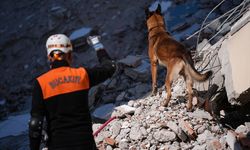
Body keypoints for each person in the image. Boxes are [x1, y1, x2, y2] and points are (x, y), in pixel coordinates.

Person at [29, 34, 116, 150]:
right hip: (85, 144)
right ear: (69, 55)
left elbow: (35, 124)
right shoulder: (82, 75)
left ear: (49, 57)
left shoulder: (41, 82)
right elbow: (110, 67)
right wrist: (96, 44)